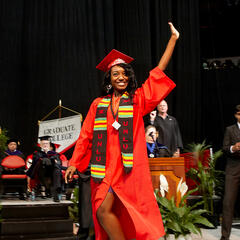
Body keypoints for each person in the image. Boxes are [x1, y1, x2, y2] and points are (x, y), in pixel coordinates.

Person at [65, 22, 179, 240]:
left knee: (124, 212)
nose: (121, 77)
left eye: (124, 74)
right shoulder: (98, 104)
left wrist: (173, 39)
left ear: (129, 78)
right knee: (102, 211)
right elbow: (86, 136)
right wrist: (73, 163)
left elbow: (158, 73)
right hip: (104, 166)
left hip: (128, 169)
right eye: (115, 73)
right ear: (109, 78)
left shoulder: (137, 101)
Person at [220, 105, 240, 240]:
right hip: (233, 169)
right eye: (239, 113)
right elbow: (225, 148)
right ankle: (225, 236)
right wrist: (234, 147)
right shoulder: (230, 130)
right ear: (236, 115)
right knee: (228, 202)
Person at [26, 136, 64, 202]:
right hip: (41, 172)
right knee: (47, 162)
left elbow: (59, 162)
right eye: (43, 144)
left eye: (47, 143)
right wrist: (47, 159)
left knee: (57, 170)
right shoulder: (37, 153)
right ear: (40, 145)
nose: (45, 145)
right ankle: (56, 189)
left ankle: (56, 191)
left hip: (52, 172)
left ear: (49, 145)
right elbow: (36, 162)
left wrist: (52, 160)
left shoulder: (55, 154)